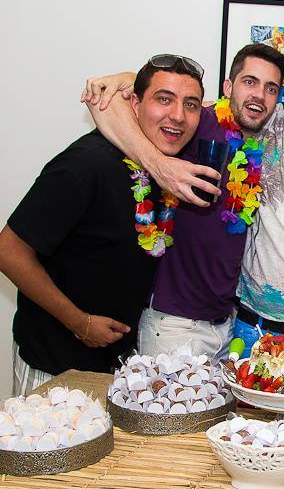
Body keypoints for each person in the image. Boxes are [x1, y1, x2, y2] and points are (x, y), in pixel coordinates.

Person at [1, 55, 204, 395]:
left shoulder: (165, 169)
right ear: (135, 104)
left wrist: (125, 76)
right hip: (53, 364)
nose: (178, 116)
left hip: (114, 371)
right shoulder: (85, 164)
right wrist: (79, 322)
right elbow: (8, 250)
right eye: (164, 99)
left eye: (191, 104)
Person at [83, 44, 284, 359]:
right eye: (250, 82)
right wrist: (160, 165)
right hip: (173, 325)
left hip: (225, 324)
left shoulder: (258, 144)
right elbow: (108, 104)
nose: (259, 95)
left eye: (270, 88)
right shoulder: (199, 121)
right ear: (228, 87)